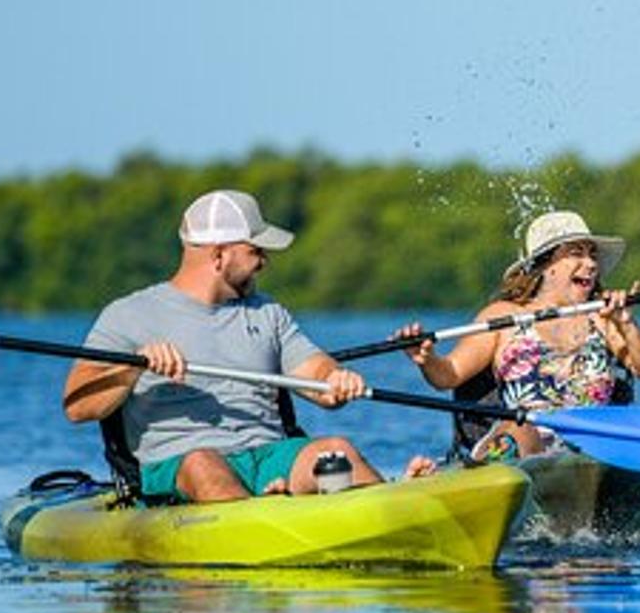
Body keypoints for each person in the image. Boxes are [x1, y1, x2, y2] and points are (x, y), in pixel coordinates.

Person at [63, 189, 432, 503]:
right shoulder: (128, 315)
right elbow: (77, 406)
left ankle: (395, 508)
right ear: (219, 256)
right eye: (256, 250)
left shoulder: (268, 313)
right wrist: (134, 367)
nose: (265, 262)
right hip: (180, 466)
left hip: (269, 455)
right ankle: (263, 517)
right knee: (203, 465)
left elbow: (315, 372)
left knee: (335, 452)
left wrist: (335, 378)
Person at [404, 210, 640, 459]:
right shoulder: (502, 317)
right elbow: (448, 375)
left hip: (592, 447)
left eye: (592, 255)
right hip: (525, 450)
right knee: (520, 426)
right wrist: (426, 359)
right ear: (546, 265)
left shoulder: (605, 318)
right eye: (576, 254)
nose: (590, 264)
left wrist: (627, 323)